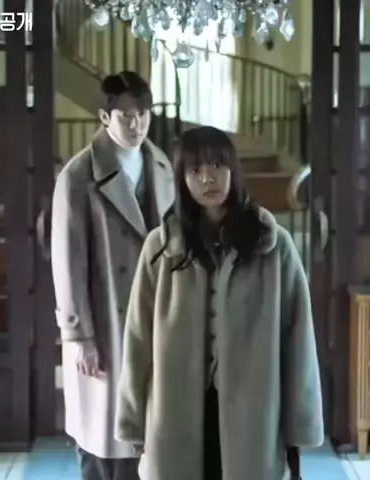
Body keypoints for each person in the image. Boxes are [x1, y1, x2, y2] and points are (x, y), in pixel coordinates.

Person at [115, 126, 324, 480]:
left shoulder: (274, 246)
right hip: (176, 408)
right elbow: (138, 340)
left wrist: (299, 427)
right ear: (182, 179)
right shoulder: (161, 248)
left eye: (217, 165)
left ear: (233, 170)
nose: (207, 178)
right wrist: (133, 420)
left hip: (253, 411)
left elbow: (298, 341)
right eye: (195, 169)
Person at [51, 70, 175, 480]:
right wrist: (79, 336)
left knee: (152, 440)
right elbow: (67, 264)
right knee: (104, 444)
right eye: (126, 116)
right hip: (105, 324)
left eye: (143, 115)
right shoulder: (77, 176)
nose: (136, 124)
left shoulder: (163, 165)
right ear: (105, 118)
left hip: (155, 319)